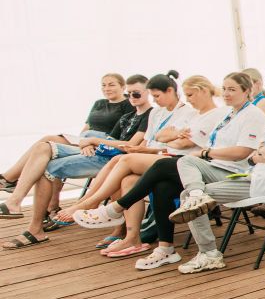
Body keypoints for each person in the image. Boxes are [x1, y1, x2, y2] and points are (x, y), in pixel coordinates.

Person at [73, 73, 265, 270]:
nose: (226, 93)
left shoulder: (252, 115)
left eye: (232, 89)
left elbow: (242, 152)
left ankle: (115, 209)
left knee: (164, 166)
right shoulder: (228, 114)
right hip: (210, 165)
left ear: (247, 91)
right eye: (224, 89)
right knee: (162, 185)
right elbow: (169, 137)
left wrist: (205, 152)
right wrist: (191, 147)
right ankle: (166, 249)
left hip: (231, 172)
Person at [58, 75, 218, 257]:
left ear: (170, 91)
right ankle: (132, 237)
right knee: (128, 179)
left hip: (175, 159)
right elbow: (158, 138)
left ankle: (90, 204)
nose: (154, 100)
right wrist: (164, 139)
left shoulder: (191, 113)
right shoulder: (160, 113)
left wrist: (167, 139)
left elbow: (182, 144)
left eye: (156, 96)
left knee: (124, 160)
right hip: (160, 155)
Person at [170, 68, 265, 273]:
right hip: (255, 174)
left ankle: (210, 254)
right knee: (187, 169)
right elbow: (257, 152)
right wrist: (262, 152)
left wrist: (261, 153)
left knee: (188, 197)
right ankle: (198, 199)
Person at [1, 75, 153, 225]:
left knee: (46, 164)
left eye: (135, 93)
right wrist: (86, 143)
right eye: (129, 93)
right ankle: (14, 200)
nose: (131, 97)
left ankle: (41, 215)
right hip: (94, 145)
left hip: (108, 155)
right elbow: (108, 139)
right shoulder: (124, 115)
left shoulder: (146, 113)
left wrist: (93, 141)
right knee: (42, 146)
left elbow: (130, 145)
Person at [0, 73, 130, 196]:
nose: (106, 88)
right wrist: (83, 142)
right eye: (103, 85)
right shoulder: (99, 103)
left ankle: (9, 179)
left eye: (111, 85)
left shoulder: (128, 105)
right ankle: (11, 179)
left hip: (102, 143)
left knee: (48, 151)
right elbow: (87, 127)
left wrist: (91, 142)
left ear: (123, 86)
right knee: (47, 140)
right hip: (85, 139)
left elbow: (119, 135)